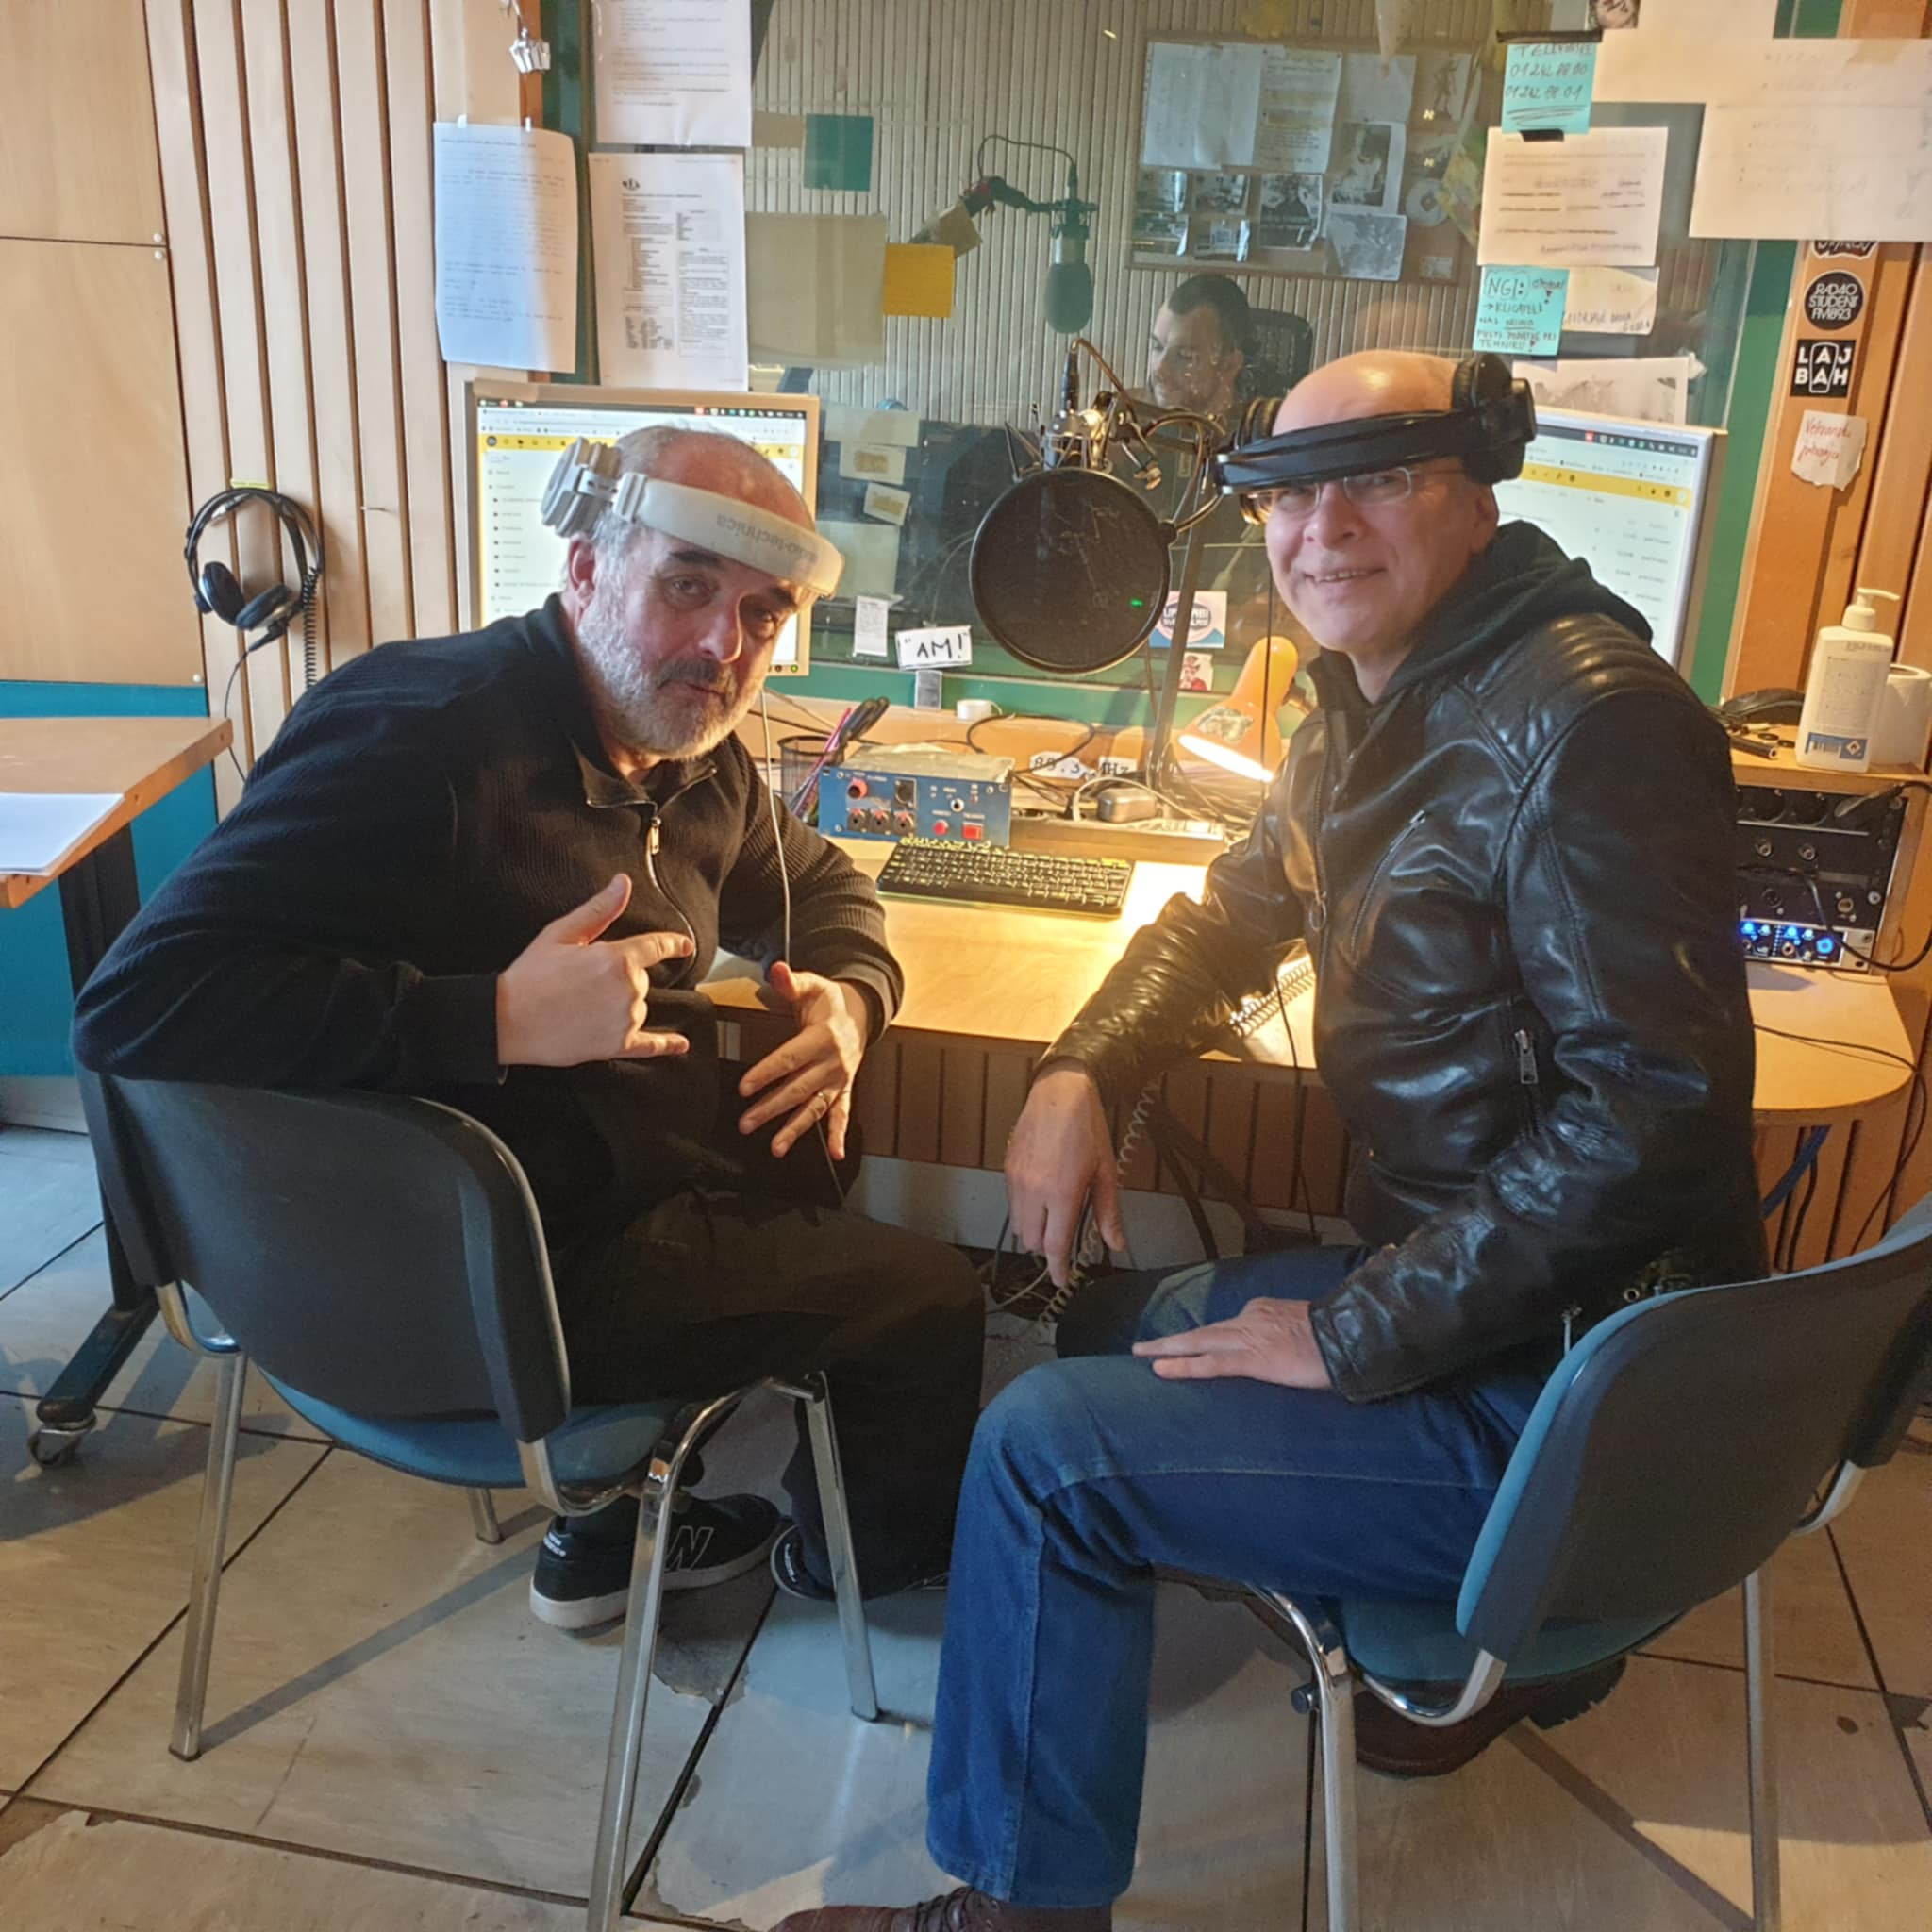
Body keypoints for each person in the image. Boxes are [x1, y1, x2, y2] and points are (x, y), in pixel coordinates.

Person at [772, 352, 1765, 1930]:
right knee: (1120, 1318)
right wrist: (1079, 1069)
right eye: (1292, 493)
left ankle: (1023, 1913)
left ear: (1475, 492)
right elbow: (1233, 916)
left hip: (1578, 1397)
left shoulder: (1592, 724)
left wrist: (1354, 1333)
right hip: (1497, 1322)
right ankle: (1452, 1652)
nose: (1321, 528)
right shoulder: (1371, 701)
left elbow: (1651, 1118)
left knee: (1041, 1451)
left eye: (1378, 479)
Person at [72, 426, 982, 1628]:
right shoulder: (422, 740)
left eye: (762, 613)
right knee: (930, 1296)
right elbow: (135, 1003)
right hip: (483, 1272)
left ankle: (602, 1525)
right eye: (689, 585)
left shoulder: (689, 749)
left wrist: (852, 1001)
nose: (726, 645)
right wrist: (491, 1016)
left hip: (579, 1181)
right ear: (587, 567)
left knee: (801, 1130)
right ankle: (862, 1571)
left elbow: (821, 886)